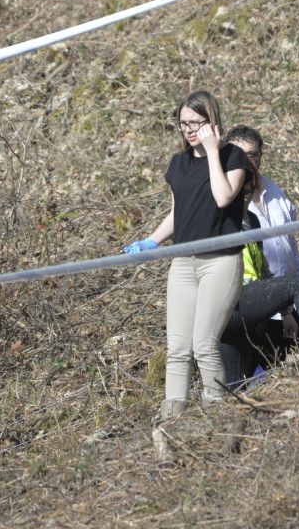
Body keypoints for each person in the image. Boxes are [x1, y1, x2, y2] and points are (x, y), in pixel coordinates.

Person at [122, 91, 250, 417]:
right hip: (183, 262)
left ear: (212, 122)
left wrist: (211, 152)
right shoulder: (178, 164)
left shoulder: (233, 157)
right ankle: (172, 417)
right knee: (177, 348)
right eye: (183, 124)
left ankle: (216, 412)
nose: (189, 130)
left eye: (195, 123)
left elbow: (222, 197)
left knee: (204, 345)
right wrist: (151, 241)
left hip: (220, 260)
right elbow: (180, 212)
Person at [224, 125, 299, 279]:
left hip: (293, 289)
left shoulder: (277, 194)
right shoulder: (223, 202)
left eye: (252, 155)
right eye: (238, 154)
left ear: (260, 156)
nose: (245, 160)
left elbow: (290, 247)